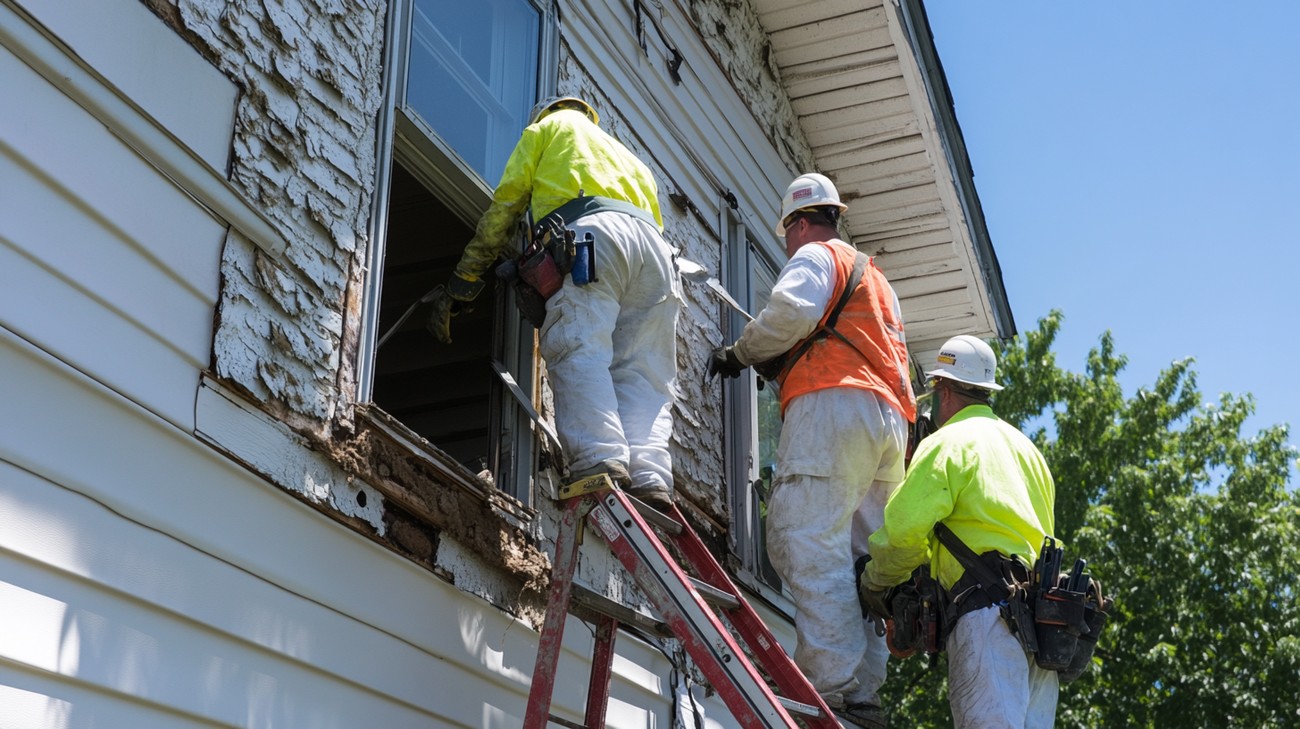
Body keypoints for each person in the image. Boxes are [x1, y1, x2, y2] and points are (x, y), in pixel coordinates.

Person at [708, 172, 916, 729]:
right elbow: (843, 337)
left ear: (799, 223)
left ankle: (829, 686)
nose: (787, 245)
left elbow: (792, 312)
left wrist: (743, 353)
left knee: (803, 537)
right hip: (889, 426)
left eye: (787, 234)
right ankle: (864, 696)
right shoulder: (876, 278)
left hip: (836, 409)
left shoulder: (817, 255)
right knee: (858, 561)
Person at [428, 96, 680, 510]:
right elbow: (649, 225)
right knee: (644, 371)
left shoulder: (546, 129)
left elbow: (506, 205)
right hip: (656, 257)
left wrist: (466, 279)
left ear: (545, 114)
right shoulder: (629, 158)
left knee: (579, 344)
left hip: (595, 237)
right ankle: (651, 475)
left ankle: (599, 458)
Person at [859, 335, 1059, 728]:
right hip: (1043, 630)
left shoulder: (949, 442)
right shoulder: (1028, 451)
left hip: (990, 621)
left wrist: (875, 582)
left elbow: (902, 531)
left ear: (943, 390)